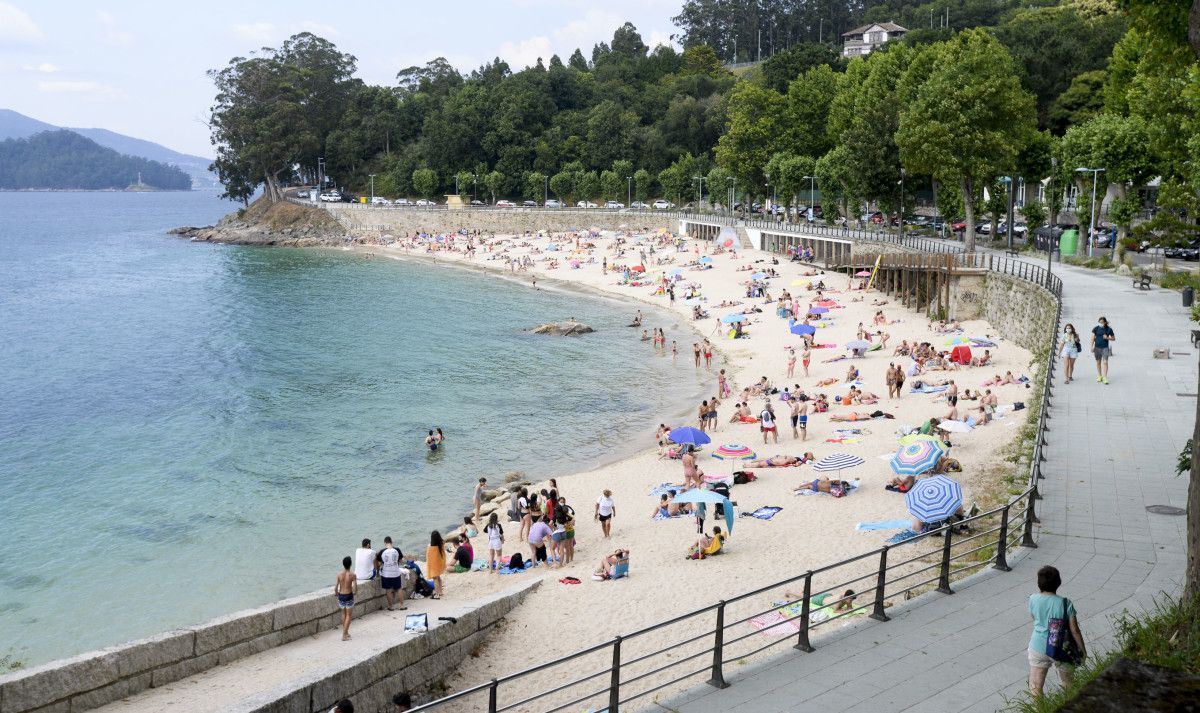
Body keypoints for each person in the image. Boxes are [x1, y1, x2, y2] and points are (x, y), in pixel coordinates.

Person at [1028, 565, 1086, 699]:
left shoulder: (1032, 599)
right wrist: (1082, 650)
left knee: (1036, 687)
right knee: (1068, 684)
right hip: (1062, 648)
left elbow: (1034, 618)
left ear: (1039, 583)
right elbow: (1075, 630)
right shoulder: (1066, 603)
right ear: (1058, 582)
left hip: (1038, 647)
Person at [378, 537, 407, 611]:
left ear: (385, 543)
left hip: (386, 574)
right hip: (395, 572)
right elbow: (401, 560)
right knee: (399, 588)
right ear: (391, 542)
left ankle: (391, 606)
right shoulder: (397, 549)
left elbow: (379, 563)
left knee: (388, 590)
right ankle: (402, 605)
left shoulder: (382, 551)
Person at [334, 556, 357, 641]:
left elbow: (336, 586)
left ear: (343, 564)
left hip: (341, 596)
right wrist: (355, 592)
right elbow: (354, 586)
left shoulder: (339, 574)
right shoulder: (352, 575)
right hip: (349, 596)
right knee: (349, 616)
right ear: (350, 564)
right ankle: (344, 635)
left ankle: (346, 632)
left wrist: (336, 593)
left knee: (343, 614)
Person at [1090, 316, 1114, 384]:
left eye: (1102, 322)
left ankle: (1105, 377)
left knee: (1105, 362)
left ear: (1105, 322)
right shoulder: (1096, 328)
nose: (1100, 323)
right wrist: (1091, 347)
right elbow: (1092, 338)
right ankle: (1099, 375)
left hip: (1105, 348)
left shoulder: (1109, 329)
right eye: (1099, 322)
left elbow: (1114, 338)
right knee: (1098, 362)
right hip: (1097, 347)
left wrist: (1107, 338)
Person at [425, 531, 446, 599]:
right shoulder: (441, 544)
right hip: (439, 564)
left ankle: (437, 595)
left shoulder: (430, 546)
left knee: (435, 579)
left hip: (433, 565)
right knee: (438, 577)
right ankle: (440, 592)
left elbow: (428, 557)